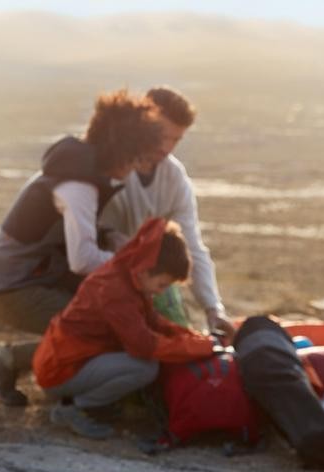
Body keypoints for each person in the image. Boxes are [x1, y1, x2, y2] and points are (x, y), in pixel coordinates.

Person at [0, 90, 170, 406]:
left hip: (33, 277)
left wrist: (126, 247)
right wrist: (135, 269)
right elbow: (83, 260)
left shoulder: (78, 170)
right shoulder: (78, 185)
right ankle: (10, 360)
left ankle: (22, 363)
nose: (135, 169)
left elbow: (82, 234)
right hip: (13, 289)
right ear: (120, 150)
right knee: (106, 328)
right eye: (136, 159)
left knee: (110, 319)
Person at [32, 218, 218, 439]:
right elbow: (144, 345)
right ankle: (72, 407)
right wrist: (199, 348)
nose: (161, 292)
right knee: (144, 367)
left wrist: (194, 338)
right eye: (162, 285)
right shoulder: (115, 289)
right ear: (146, 270)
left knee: (144, 360)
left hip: (74, 361)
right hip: (61, 371)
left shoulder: (129, 273)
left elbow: (154, 322)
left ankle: (89, 402)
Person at [100, 86, 234, 338]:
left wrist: (213, 309)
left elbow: (192, 245)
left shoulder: (174, 178)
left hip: (145, 275)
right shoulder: (110, 165)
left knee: (176, 334)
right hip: (94, 271)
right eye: (162, 134)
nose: (166, 147)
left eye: (176, 139)